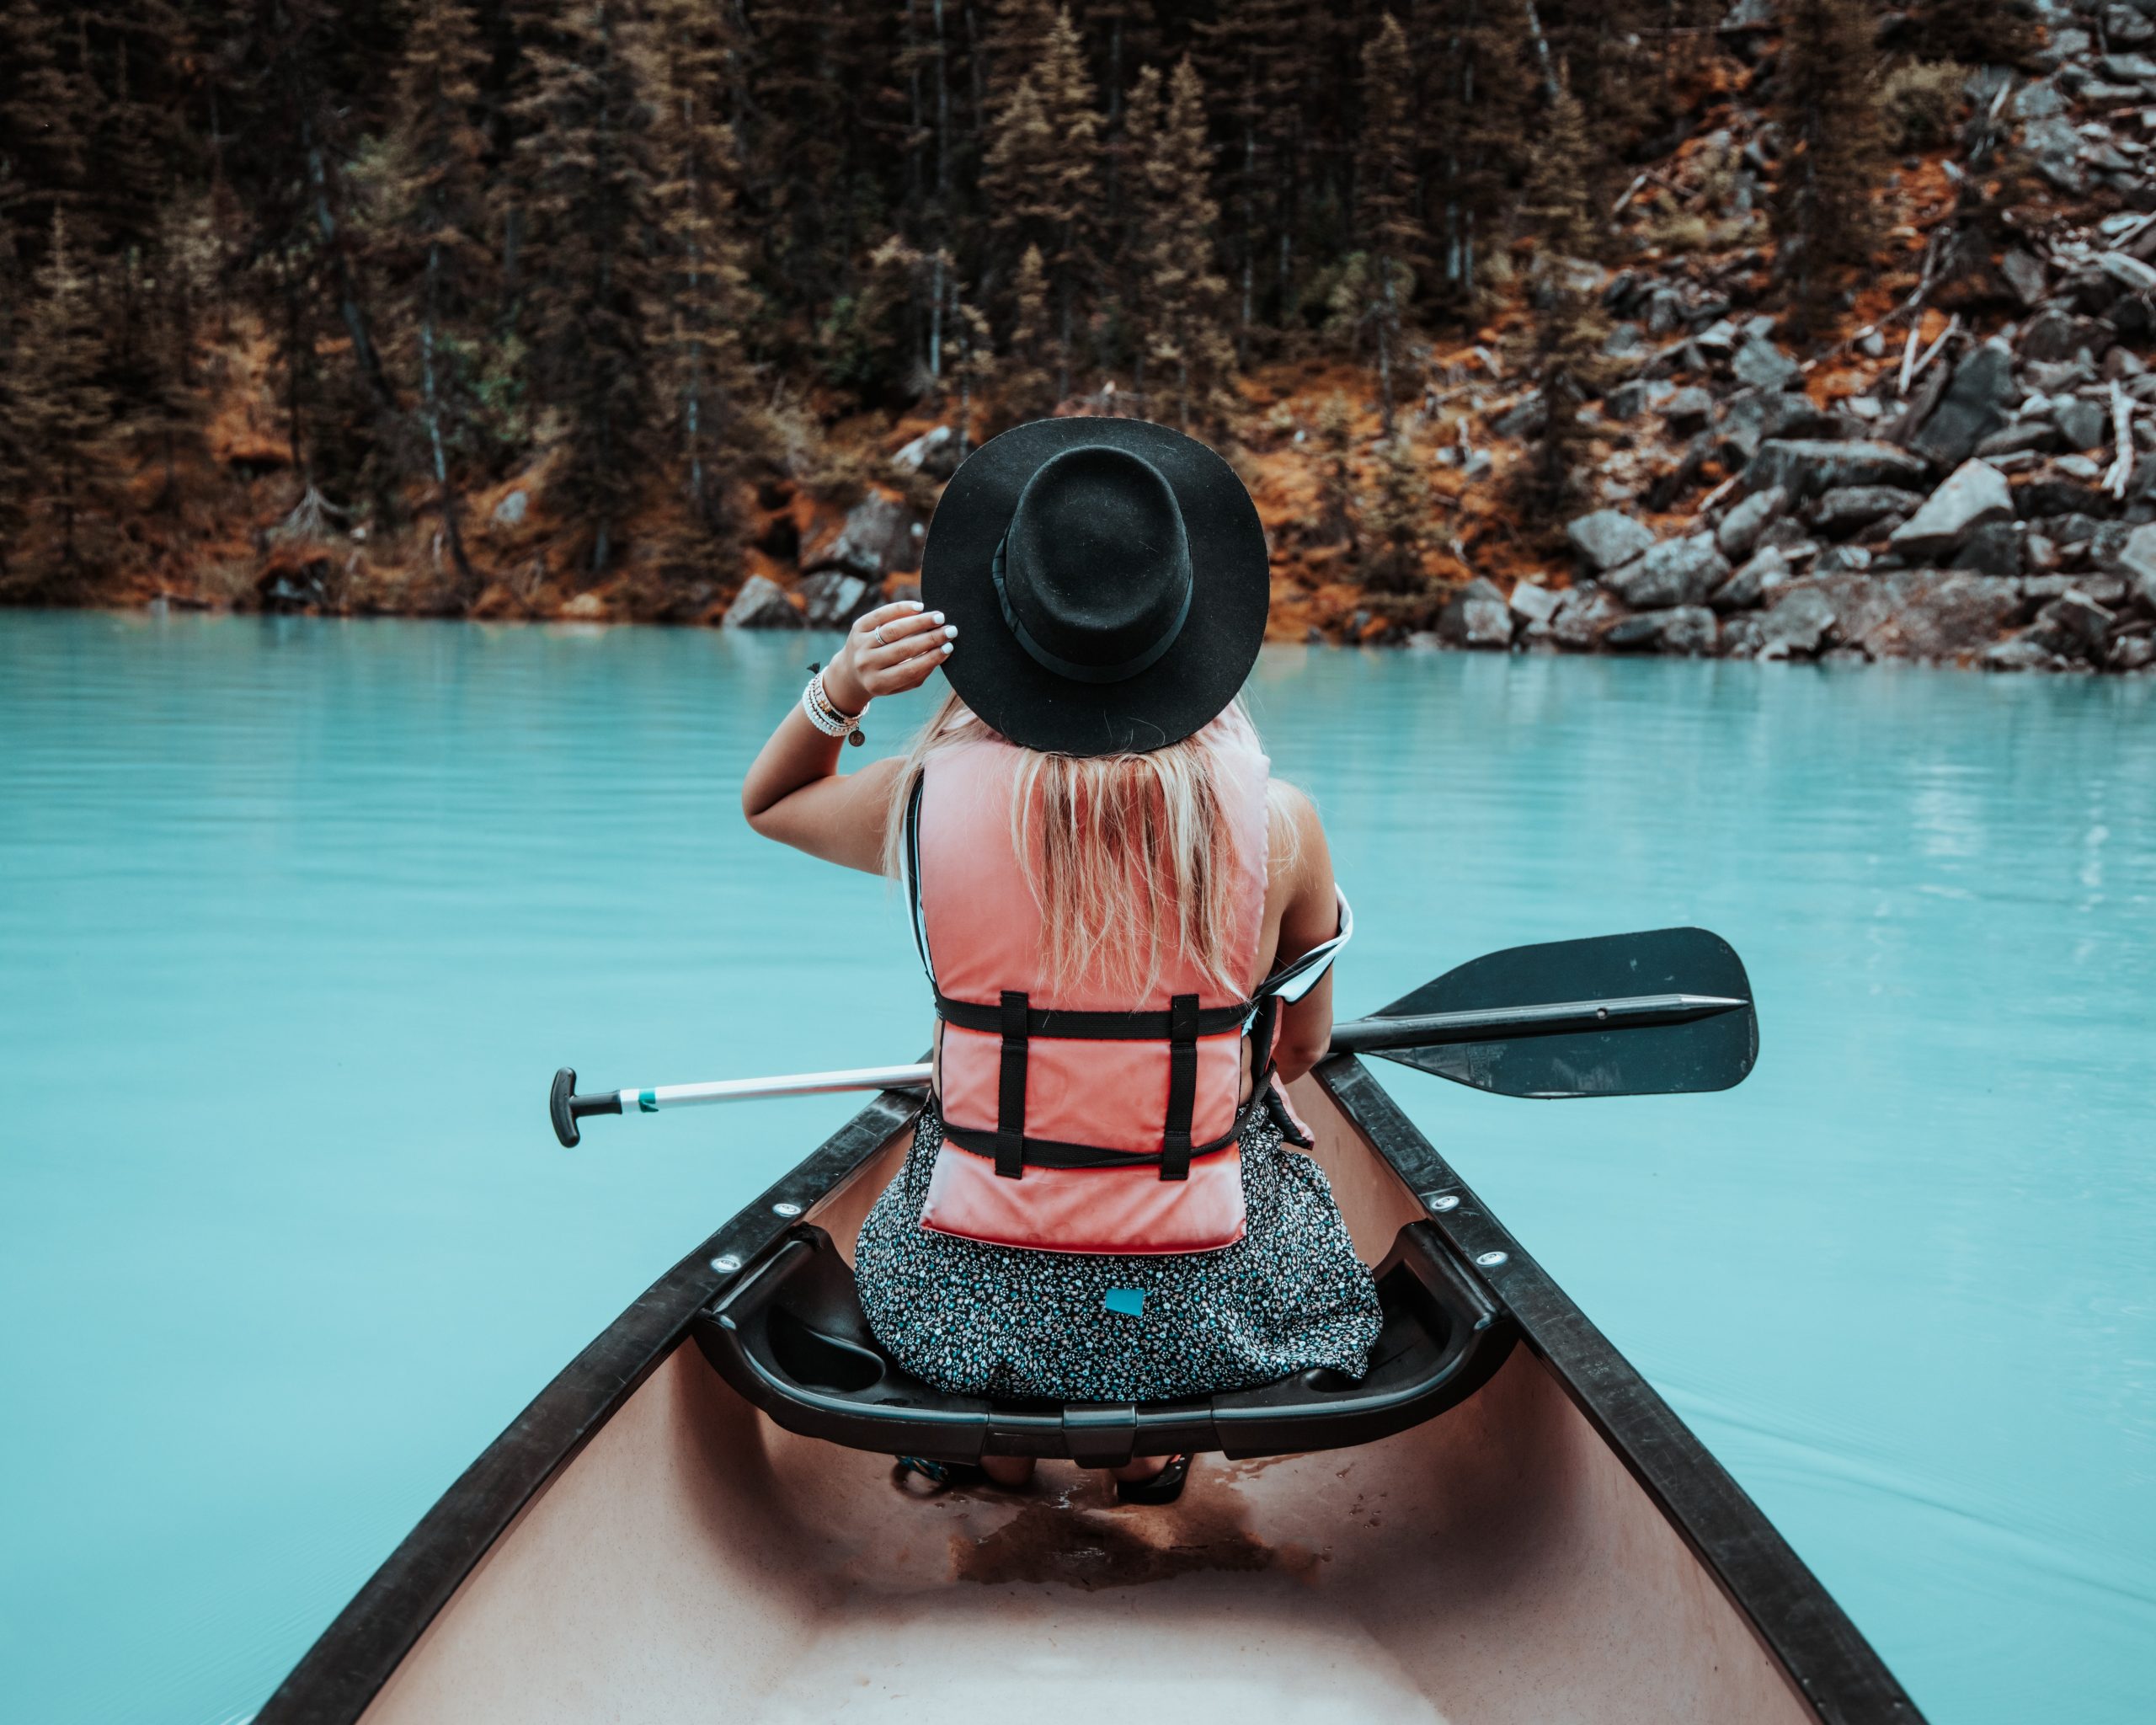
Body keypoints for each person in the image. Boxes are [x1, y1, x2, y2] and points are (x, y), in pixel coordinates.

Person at [741, 419, 1380, 1503]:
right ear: (1190, 638)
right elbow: (1300, 1048)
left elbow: (773, 802)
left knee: (953, 1163)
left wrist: (840, 688)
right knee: (1263, 1163)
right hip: (1197, 1316)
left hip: (959, 1304)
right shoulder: (1283, 827)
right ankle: (1150, 1443)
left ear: (1001, 632)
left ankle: (989, 1440)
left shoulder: (921, 801)